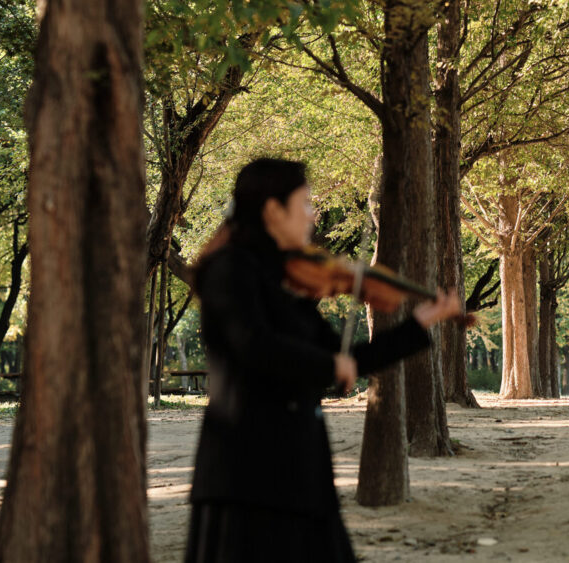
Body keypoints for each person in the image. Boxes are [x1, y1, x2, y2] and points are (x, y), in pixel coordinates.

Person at [185, 158, 462, 562]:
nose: (313, 214)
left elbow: (345, 359)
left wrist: (420, 323)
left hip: (300, 473)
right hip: (245, 476)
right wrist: (329, 367)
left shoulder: (286, 281)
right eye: (305, 203)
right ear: (272, 210)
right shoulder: (230, 269)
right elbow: (253, 345)